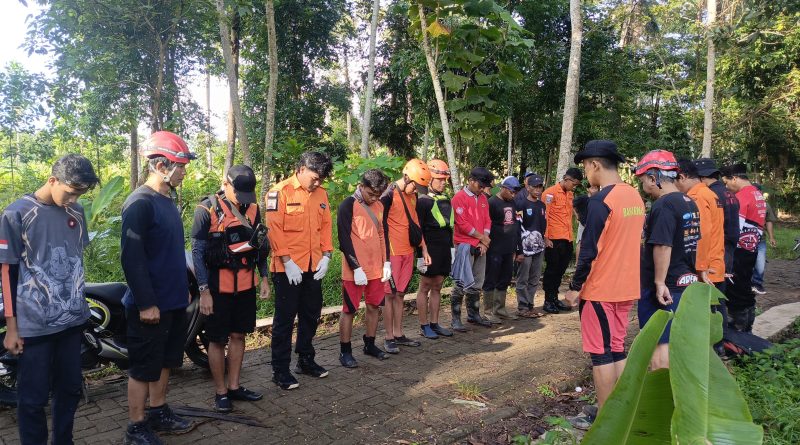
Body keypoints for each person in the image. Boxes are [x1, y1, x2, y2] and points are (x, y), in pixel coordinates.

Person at [0, 155, 99, 445]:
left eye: (80, 194)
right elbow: (6, 273)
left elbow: (75, 259)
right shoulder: (16, 213)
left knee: (70, 389)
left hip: (71, 321)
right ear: (52, 180)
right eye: (71, 192)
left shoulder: (76, 211)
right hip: (34, 327)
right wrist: (12, 328)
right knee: (33, 398)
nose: (74, 199)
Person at [121, 131, 197, 444]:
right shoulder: (140, 203)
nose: (184, 172)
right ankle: (136, 426)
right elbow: (132, 258)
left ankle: (158, 411)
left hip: (173, 299)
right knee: (143, 367)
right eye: (181, 166)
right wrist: (146, 302)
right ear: (162, 165)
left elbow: (169, 252)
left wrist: (184, 288)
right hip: (150, 305)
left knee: (166, 360)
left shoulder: (167, 199)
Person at [564, 140, 645, 425]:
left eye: (586, 167)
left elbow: (589, 251)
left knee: (601, 355)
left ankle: (604, 419)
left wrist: (575, 288)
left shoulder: (601, 202)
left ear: (595, 164)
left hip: (601, 289)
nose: (586, 173)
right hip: (626, 287)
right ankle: (621, 410)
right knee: (617, 348)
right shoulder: (634, 197)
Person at [191, 165, 269, 413]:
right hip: (217, 288)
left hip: (245, 285)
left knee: (239, 335)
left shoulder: (254, 209)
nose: (243, 200)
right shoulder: (206, 209)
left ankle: (234, 386)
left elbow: (260, 245)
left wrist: (264, 277)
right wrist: (204, 291)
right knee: (217, 339)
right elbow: (197, 253)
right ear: (226, 184)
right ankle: (221, 392)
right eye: (238, 194)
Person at [265, 151, 334, 390]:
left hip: (313, 265)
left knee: (311, 314)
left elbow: (326, 226)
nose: (317, 183)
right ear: (302, 169)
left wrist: (327, 256)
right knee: (284, 319)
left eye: (321, 179)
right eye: (315, 178)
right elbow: (273, 229)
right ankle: (280, 369)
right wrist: (286, 260)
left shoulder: (321, 194)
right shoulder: (279, 192)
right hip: (288, 268)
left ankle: (305, 359)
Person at [636, 150, 700, 370]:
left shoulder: (664, 205)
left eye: (643, 181)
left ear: (653, 177)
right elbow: (693, 241)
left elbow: (663, 245)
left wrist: (659, 282)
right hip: (685, 281)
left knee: (659, 343)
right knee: (675, 341)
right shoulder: (689, 202)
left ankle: (661, 388)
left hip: (666, 288)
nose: (644, 186)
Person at [337, 169, 393, 368]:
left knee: (374, 306)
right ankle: (345, 351)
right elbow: (343, 239)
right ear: (361, 186)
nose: (374, 198)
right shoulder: (347, 205)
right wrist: (356, 267)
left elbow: (382, 234)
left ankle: (370, 344)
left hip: (376, 267)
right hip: (355, 270)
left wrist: (386, 262)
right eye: (371, 194)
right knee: (349, 309)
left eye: (378, 195)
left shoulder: (379, 205)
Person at [380, 159, 432, 353]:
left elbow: (416, 223)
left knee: (400, 294)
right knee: (389, 295)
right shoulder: (387, 195)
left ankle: (399, 333)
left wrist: (423, 249)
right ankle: (388, 337)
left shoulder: (413, 196)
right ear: (406, 177)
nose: (416, 190)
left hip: (408, 251)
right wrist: (383, 258)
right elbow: (380, 226)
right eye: (415, 185)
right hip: (392, 253)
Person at [721, 163, 766, 332]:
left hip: (739, 252)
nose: (726, 187)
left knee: (736, 293)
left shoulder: (741, 197)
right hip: (751, 249)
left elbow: (734, 229)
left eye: (726, 182)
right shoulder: (757, 194)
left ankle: (738, 330)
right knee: (746, 290)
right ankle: (747, 329)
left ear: (734, 178)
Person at [450, 167, 495, 330]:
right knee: (461, 282)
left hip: (480, 245)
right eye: (480, 186)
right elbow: (462, 224)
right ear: (471, 181)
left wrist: (484, 241)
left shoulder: (483, 198)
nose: (482, 189)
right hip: (464, 245)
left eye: (484, 186)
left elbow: (487, 220)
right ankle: (455, 319)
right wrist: (482, 238)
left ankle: (473, 314)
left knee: (477, 280)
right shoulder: (459, 198)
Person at [415, 160, 455, 339]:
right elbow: (418, 230)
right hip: (429, 249)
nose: (443, 183)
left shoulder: (446, 200)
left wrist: (452, 249)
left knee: (438, 285)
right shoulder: (423, 201)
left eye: (445, 180)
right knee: (425, 286)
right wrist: (420, 254)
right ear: (429, 179)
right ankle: (424, 325)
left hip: (444, 248)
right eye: (439, 179)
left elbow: (450, 227)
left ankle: (434, 323)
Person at [676, 159, 725, 289]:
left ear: (682, 177)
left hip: (705, 271)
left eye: (674, 182)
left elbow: (701, 232)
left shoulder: (697, 197)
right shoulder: (708, 193)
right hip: (714, 264)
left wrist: (701, 267)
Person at [542, 167, 583, 313]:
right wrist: (545, 237)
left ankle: (554, 298)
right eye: (574, 184)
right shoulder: (550, 193)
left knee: (560, 270)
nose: (574, 187)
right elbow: (544, 216)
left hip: (567, 238)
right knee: (551, 271)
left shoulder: (570, 194)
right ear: (566, 179)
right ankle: (548, 300)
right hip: (553, 239)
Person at [482, 176, 523, 323]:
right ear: (503, 188)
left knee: (505, 278)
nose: (514, 195)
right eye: (511, 192)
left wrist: (518, 248)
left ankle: (500, 308)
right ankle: (487, 311)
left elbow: (516, 225)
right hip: (494, 248)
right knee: (491, 278)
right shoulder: (492, 202)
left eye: (515, 192)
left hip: (509, 248)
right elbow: (485, 225)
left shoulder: (513, 202)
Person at [694, 158, 739, 287]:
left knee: (713, 288)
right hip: (729, 245)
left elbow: (707, 226)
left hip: (716, 246)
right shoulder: (729, 193)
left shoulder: (709, 194)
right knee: (721, 284)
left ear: (702, 177)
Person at [515, 173, 547, 318]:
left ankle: (530, 305)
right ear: (528, 188)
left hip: (539, 247)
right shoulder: (520, 204)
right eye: (535, 187)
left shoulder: (542, 205)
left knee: (534, 278)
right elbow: (517, 227)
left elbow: (542, 225)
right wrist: (518, 249)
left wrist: (545, 239)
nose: (538, 190)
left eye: (540, 187)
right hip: (525, 248)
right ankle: (522, 307)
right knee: (523, 278)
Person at [751, 185, 777, 295]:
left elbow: (769, 221)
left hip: (761, 239)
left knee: (760, 263)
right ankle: (747, 283)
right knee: (746, 261)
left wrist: (771, 237)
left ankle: (757, 283)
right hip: (746, 239)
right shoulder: (744, 202)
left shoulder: (766, 205)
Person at [573, 185, 599, 261]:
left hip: (593, 224)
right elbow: (572, 205)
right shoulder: (582, 198)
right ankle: (577, 263)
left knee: (594, 242)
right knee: (580, 242)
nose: (594, 190)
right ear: (587, 189)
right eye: (592, 188)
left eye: (596, 188)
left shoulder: (598, 199)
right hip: (583, 224)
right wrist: (577, 216)